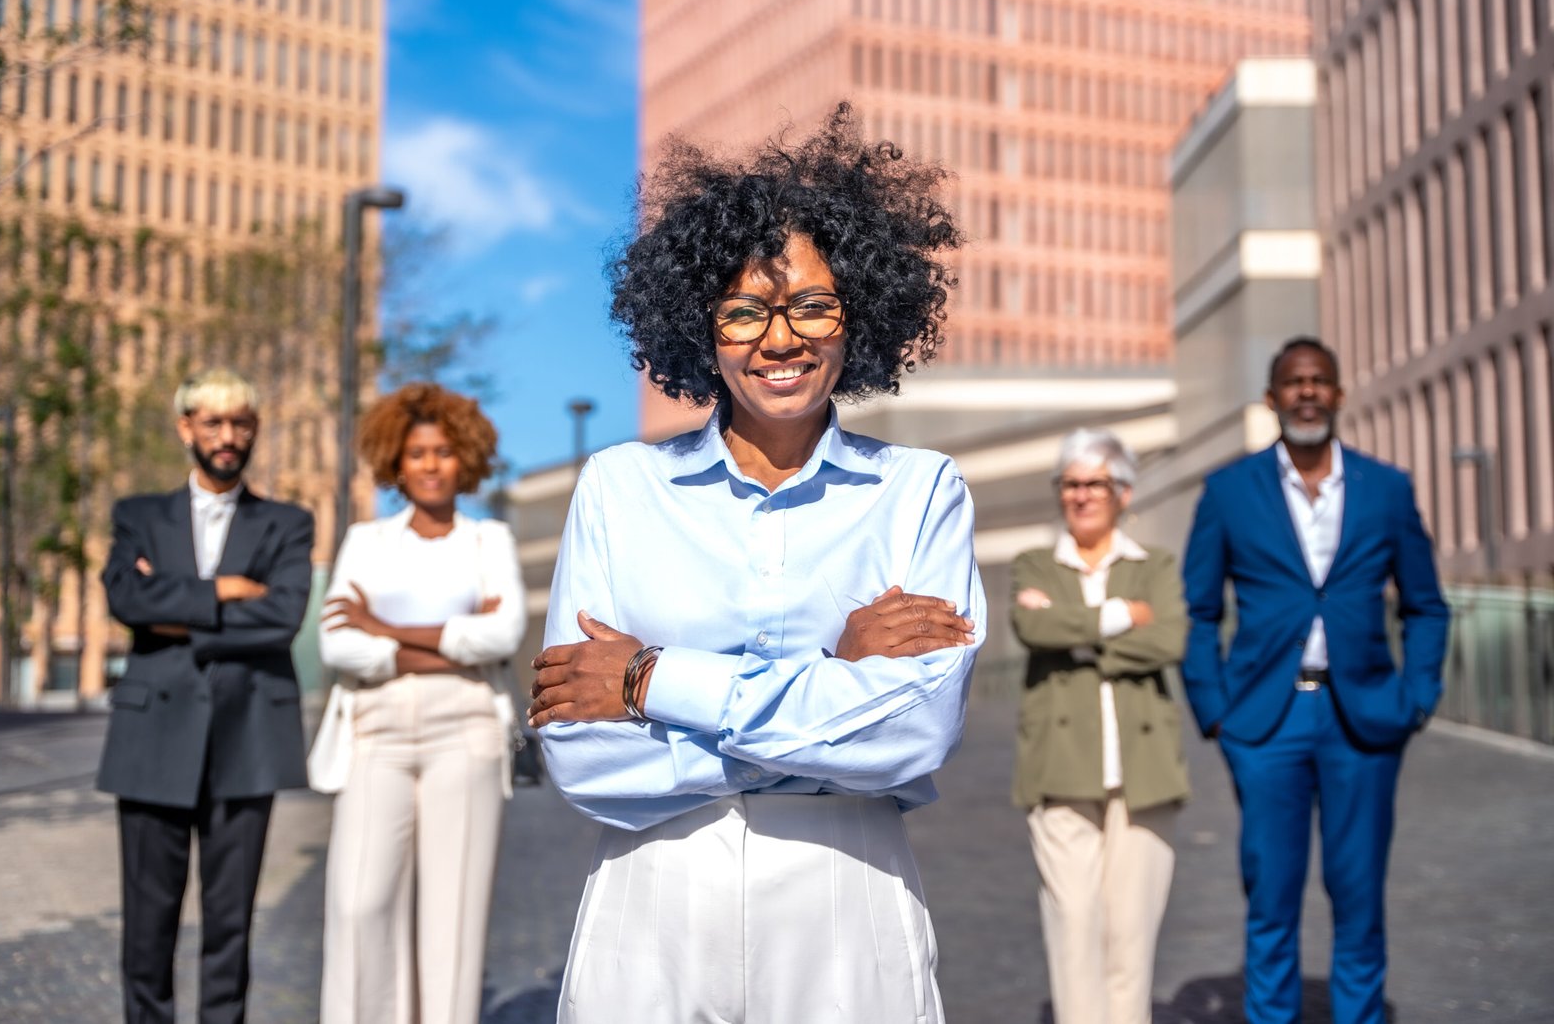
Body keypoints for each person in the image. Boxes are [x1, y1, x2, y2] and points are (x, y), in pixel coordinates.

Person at [526, 104, 986, 1023]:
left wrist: (650, 679)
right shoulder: (618, 487)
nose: (781, 339)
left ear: (859, 314)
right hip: (653, 896)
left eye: (813, 304)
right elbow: (581, 752)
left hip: (846, 895)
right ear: (703, 325)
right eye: (745, 310)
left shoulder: (921, 491)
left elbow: (914, 732)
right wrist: (833, 687)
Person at [1182, 337, 1450, 1024]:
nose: (1307, 392)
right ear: (1272, 399)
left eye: (1319, 381)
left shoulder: (1386, 489)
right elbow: (1201, 611)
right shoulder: (1227, 491)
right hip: (1265, 724)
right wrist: (1216, 712)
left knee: (1358, 893)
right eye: (1294, 382)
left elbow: (1426, 604)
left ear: (1337, 394)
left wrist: (1416, 697)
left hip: (1363, 719)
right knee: (1270, 893)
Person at [97, 368, 314, 1024]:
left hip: (245, 739)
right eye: (214, 422)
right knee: (147, 927)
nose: (228, 436)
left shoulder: (287, 523)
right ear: (186, 426)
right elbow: (125, 599)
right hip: (150, 740)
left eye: (241, 423)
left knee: (230, 927)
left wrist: (172, 604)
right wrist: (224, 591)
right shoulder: (136, 515)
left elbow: (281, 617)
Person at [312, 382, 527, 1024]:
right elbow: (335, 643)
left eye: (442, 451)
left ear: (465, 457)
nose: (430, 465)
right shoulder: (366, 541)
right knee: (358, 903)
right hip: (374, 731)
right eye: (416, 453)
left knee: (452, 920)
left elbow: (504, 635)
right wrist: (451, 642)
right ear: (394, 463)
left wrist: (384, 629)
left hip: (465, 732)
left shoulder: (489, 540)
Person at [1011, 428, 1189, 1024]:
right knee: (1073, 926)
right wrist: (1121, 618)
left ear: (1124, 493)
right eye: (1070, 484)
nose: (1081, 496)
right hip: (1060, 768)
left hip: (1145, 772)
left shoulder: (1154, 566)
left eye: (1095, 484)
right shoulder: (1035, 564)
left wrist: (1079, 633)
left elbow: (1170, 639)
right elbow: (1033, 630)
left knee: (1131, 934)